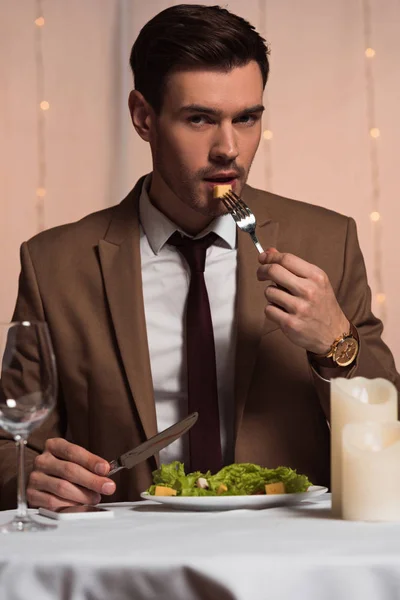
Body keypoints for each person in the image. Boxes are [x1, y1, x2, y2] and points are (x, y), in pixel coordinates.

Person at [1, 4, 399, 511]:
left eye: (247, 119)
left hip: (286, 556)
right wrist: (36, 473)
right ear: (144, 117)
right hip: (127, 560)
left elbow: (390, 428)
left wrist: (335, 345)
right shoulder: (54, 263)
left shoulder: (327, 239)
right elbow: (9, 441)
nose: (228, 148)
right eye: (199, 119)